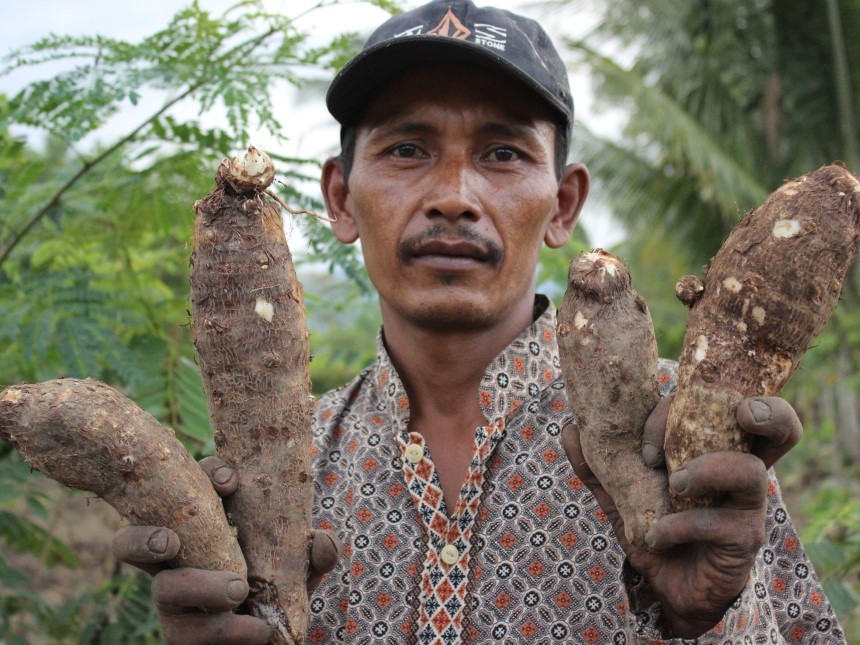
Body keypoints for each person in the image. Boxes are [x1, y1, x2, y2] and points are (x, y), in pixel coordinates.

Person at [112, 1, 845, 642]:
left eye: (502, 152)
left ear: (562, 204)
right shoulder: (281, 471)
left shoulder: (680, 441)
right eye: (406, 149)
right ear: (339, 199)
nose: (455, 196)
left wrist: (715, 618)